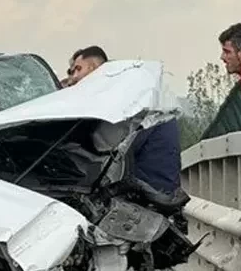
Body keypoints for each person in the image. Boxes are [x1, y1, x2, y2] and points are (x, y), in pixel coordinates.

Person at [62, 45, 182, 195]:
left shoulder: (125, 107)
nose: (72, 78)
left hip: (151, 199)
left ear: (94, 69)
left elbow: (104, 152)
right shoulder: (139, 97)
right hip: (156, 195)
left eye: (77, 69)